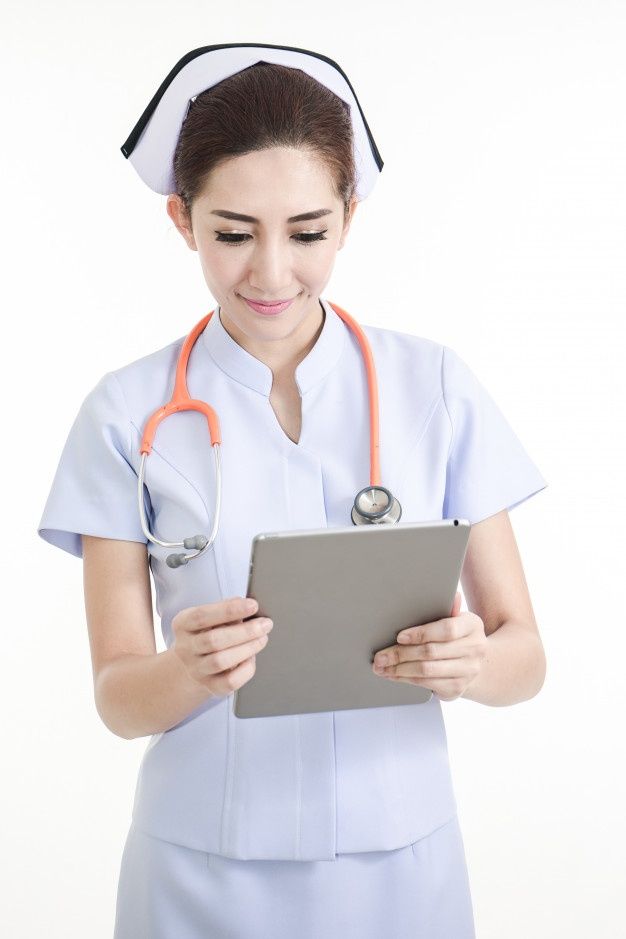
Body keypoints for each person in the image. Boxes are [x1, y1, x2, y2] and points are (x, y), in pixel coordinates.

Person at [37, 44, 548, 939]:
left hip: (403, 869)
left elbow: (525, 653)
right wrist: (184, 671)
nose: (271, 273)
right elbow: (118, 697)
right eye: (233, 232)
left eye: (307, 232)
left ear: (348, 218)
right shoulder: (126, 414)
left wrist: (470, 664)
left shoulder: (435, 386)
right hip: (199, 874)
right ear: (180, 218)